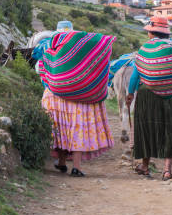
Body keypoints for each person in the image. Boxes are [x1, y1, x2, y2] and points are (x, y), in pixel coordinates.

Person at [126, 16, 172, 180]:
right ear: (166, 34)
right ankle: (167, 170)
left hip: (148, 96)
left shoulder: (145, 49)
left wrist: (131, 94)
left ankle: (145, 166)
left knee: (147, 129)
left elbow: (136, 75)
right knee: (170, 131)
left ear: (152, 33)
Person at [39, 21, 115, 177]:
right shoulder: (84, 49)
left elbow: (41, 69)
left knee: (60, 129)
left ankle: (61, 162)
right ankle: (76, 167)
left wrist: (57, 82)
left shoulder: (49, 47)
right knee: (76, 130)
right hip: (80, 98)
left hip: (54, 96)